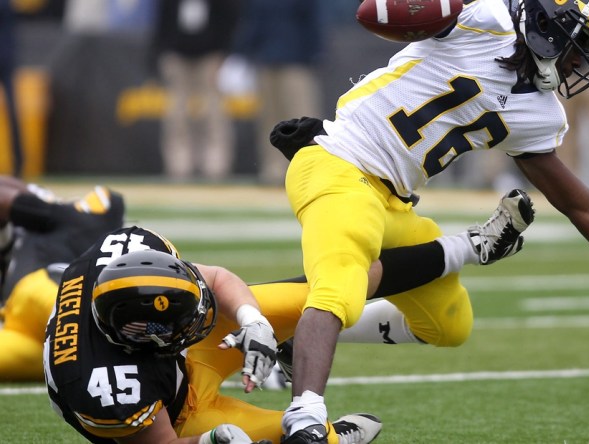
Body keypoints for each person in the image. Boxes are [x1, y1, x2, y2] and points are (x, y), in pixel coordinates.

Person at [276, 0, 589, 442]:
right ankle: (306, 415)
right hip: (339, 163)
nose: (579, 66)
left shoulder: (538, 112)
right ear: (549, 29)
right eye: (578, 49)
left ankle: (296, 333)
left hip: (392, 198)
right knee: (338, 281)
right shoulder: (484, 17)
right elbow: (374, 13)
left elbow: (582, 206)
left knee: (447, 323)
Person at [43, 194, 532, 444]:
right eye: (182, 323)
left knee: (332, 286)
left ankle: (469, 246)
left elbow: (213, 276)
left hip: (169, 359)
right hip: (178, 413)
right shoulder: (101, 384)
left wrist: (252, 319)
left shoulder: (123, 258)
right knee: (311, 436)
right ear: (141, 335)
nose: (201, 320)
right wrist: (212, 441)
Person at [0, 176, 125, 381]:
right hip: (24, 332)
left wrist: (31, 193)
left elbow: (4, 197)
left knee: (79, 321)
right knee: (70, 352)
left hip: (47, 291)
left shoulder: (70, 217)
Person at [230, 0, 325, 185]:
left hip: (296, 62)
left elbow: (312, 22)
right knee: (269, 119)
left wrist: (315, 54)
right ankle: (273, 170)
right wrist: (243, 52)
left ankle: (308, 169)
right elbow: (254, 22)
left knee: (303, 119)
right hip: (266, 60)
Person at [150, 0, 240, 181]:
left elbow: (228, 18)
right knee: (176, 113)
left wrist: (224, 52)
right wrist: (160, 53)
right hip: (177, 53)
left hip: (210, 54)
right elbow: (162, 20)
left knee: (215, 112)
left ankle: (216, 164)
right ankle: (178, 165)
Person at [0, 0, 23, 177]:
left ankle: (19, 163)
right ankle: (19, 162)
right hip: (7, 57)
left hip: (4, 59)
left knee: (12, 112)